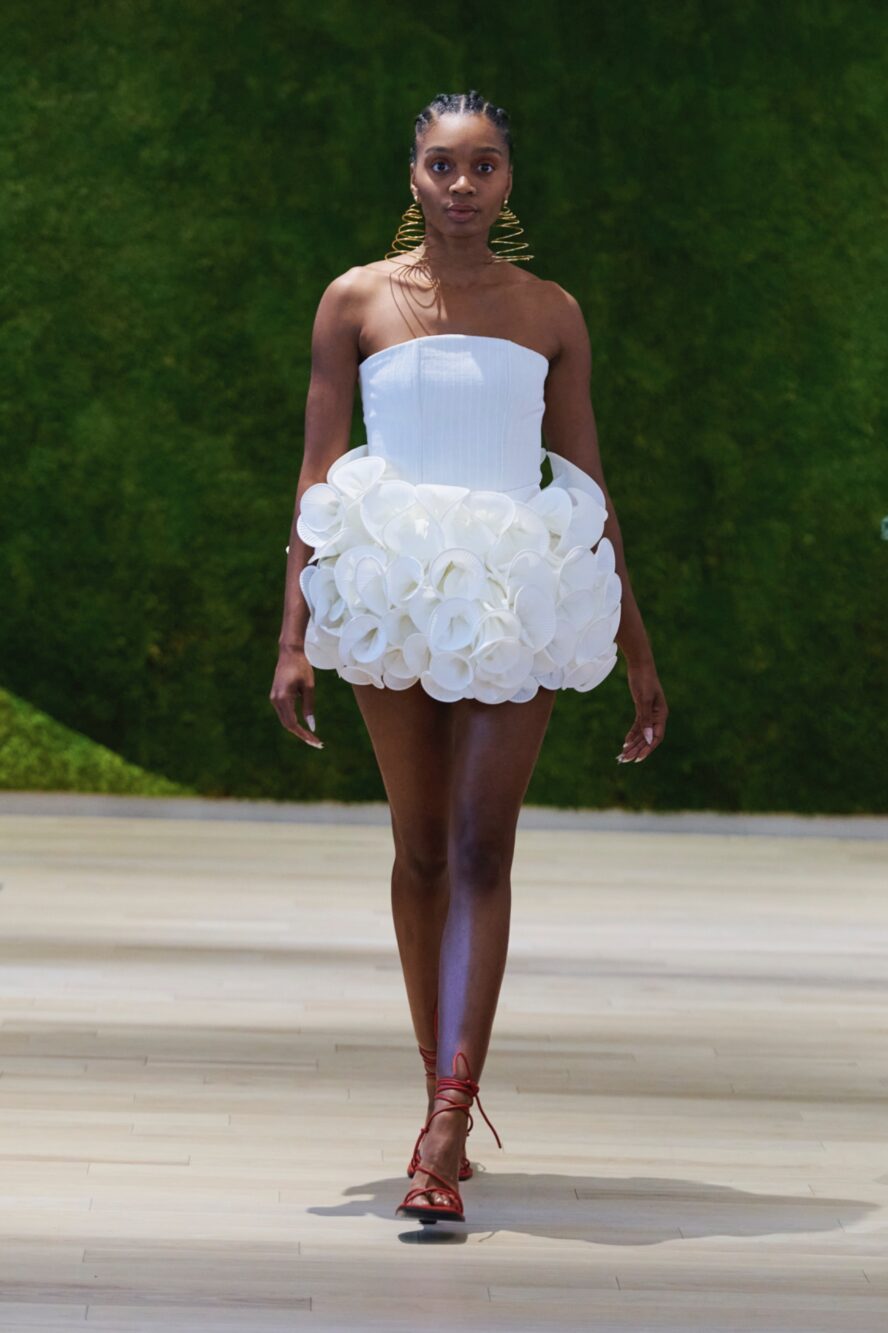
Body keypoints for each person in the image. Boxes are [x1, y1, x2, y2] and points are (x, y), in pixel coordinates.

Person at [270, 90, 668, 1225]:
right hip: (391, 581)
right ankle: (434, 1086)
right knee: (421, 851)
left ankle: (449, 1117)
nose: (462, 184)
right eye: (443, 165)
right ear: (414, 176)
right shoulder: (355, 301)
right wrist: (293, 635)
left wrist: (635, 643)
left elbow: (586, 486)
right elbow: (316, 472)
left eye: (483, 165)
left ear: (507, 183)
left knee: (481, 844)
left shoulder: (550, 312)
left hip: (518, 583)